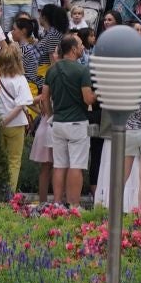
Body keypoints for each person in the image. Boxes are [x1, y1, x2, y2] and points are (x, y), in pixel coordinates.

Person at [46, 34, 95, 208]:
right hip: (77, 123)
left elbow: (45, 97)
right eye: (81, 45)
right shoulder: (82, 71)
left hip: (58, 122)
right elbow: (88, 99)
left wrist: (50, 114)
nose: (83, 47)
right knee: (76, 165)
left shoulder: (52, 70)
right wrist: (100, 92)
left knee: (59, 164)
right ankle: (74, 205)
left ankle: (57, 203)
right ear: (73, 49)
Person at [0, 41, 33, 186]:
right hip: (16, 124)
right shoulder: (20, 80)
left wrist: (1, 121)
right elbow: (22, 104)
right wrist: (7, 120)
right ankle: (9, 195)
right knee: (14, 161)